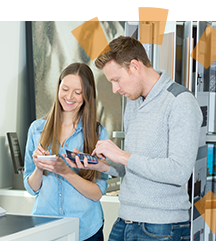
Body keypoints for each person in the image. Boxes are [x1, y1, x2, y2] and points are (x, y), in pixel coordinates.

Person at [66, 36, 203, 241]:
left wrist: (122, 155)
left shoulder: (181, 102)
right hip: (125, 221)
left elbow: (179, 172)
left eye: (116, 80)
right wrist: (102, 165)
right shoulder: (133, 102)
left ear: (135, 66)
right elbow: (130, 166)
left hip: (162, 227)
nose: (115, 89)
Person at [23, 63, 109, 241]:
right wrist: (39, 167)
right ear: (58, 89)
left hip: (86, 229)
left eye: (77, 92)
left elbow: (97, 193)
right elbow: (31, 188)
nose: (69, 97)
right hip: (45, 228)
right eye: (65, 89)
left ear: (87, 95)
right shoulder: (37, 129)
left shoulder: (97, 134)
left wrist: (66, 172)